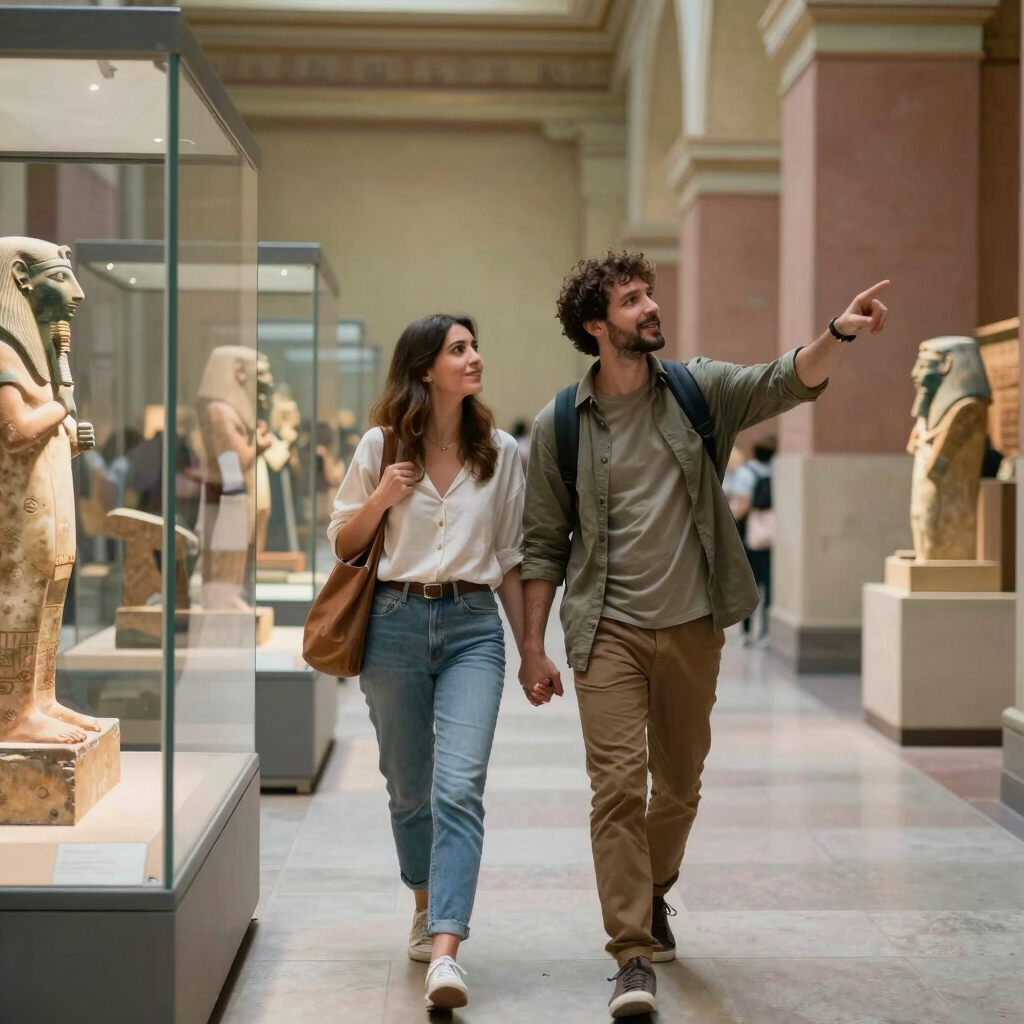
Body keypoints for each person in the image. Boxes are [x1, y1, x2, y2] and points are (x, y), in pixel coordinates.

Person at [518, 250, 889, 1019]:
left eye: (649, 294)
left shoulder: (696, 391)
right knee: (617, 788)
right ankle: (631, 954)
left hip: (691, 626)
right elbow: (545, 540)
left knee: (679, 786)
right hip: (606, 630)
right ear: (597, 325)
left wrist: (837, 334)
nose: (650, 306)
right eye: (631, 299)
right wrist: (531, 645)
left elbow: (780, 379)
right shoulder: (564, 422)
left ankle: (652, 889)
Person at [327, 313, 530, 1011]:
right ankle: (423, 902)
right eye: (459, 349)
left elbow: (509, 559)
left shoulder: (500, 453)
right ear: (424, 369)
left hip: (475, 627)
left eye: (475, 346)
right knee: (409, 788)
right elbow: (343, 542)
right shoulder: (380, 446)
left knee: (459, 786)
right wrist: (383, 496)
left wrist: (532, 648)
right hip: (394, 624)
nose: (475, 358)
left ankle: (447, 947)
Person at [730, 436, 776, 644]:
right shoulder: (777, 471)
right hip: (773, 536)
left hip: (751, 536)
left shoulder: (746, 473)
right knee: (769, 586)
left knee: (749, 586)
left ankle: (747, 632)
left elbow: (743, 505)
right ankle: (765, 632)